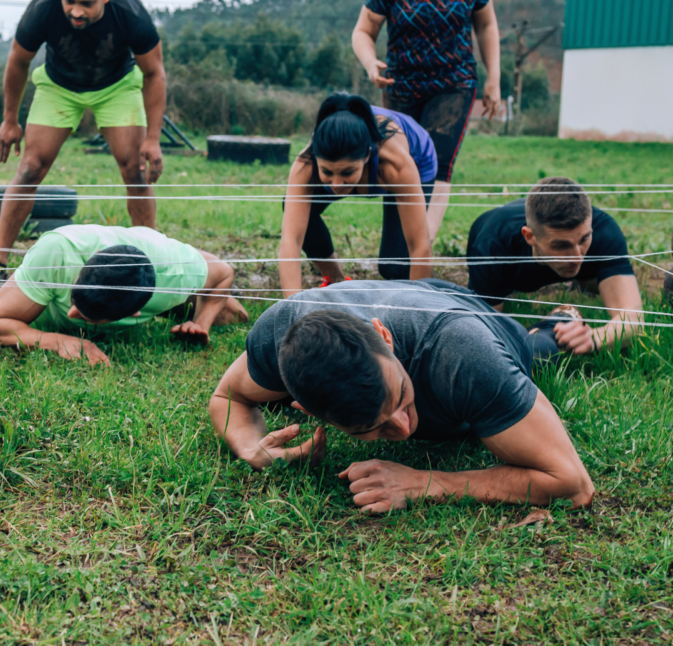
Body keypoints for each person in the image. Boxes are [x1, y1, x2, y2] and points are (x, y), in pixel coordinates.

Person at [209, 279, 595, 513]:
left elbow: (573, 483)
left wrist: (425, 482)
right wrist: (248, 446)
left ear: (386, 338)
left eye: (401, 396)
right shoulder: (281, 332)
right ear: (304, 409)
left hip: (471, 320)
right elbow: (228, 397)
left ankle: (559, 321)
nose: (404, 425)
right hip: (410, 293)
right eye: (373, 429)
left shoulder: (464, 355)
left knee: (538, 347)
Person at [0, 0, 166, 276]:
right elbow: (18, 61)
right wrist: (9, 120)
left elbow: (155, 73)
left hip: (117, 87)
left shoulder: (129, 11)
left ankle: (149, 264)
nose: (76, 11)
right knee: (30, 168)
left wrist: (153, 138)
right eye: (69, 0)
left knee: (135, 171)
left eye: (86, 3)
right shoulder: (43, 7)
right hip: (58, 87)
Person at [352, 0, 501, 240]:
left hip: (454, 82)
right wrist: (370, 63)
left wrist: (494, 78)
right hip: (400, 84)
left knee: (438, 160)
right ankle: (398, 247)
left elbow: (486, 25)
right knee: (400, 161)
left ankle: (423, 246)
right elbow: (364, 30)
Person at [0, 224, 247, 366]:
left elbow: (224, 273)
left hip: (163, 272)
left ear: (134, 315)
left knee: (235, 315)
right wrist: (55, 341)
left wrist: (201, 323)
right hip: (43, 277)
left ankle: (183, 310)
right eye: (74, 302)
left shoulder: (176, 271)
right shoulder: (56, 253)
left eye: (85, 317)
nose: (72, 314)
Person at [280, 92, 437, 295]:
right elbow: (291, 242)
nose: (336, 184)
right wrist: (292, 309)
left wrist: (421, 311)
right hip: (363, 165)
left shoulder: (396, 166)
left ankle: (432, 289)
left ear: (366, 157)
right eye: (327, 172)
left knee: (396, 268)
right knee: (293, 207)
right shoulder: (306, 164)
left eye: (347, 172)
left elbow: (420, 246)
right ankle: (335, 279)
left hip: (417, 158)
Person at [467, 176, 643, 354]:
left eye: (584, 239)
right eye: (561, 245)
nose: (577, 257)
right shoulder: (493, 245)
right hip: (504, 259)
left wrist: (594, 339)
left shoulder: (603, 229)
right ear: (529, 237)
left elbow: (634, 321)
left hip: (584, 272)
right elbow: (485, 333)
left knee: (595, 285)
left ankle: (578, 279)